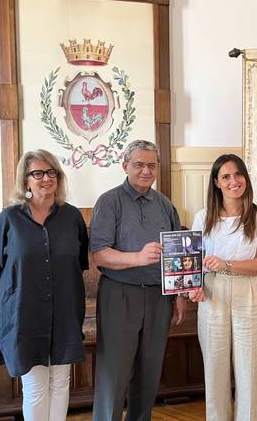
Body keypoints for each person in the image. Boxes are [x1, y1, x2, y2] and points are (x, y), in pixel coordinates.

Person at [0, 149, 89, 421]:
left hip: (65, 313)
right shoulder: (9, 219)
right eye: (38, 173)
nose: (46, 178)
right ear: (26, 181)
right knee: (34, 386)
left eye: (52, 172)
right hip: (24, 316)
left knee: (60, 383)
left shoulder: (72, 218)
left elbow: (78, 263)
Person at [89, 139, 187, 421]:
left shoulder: (165, 205)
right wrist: (137, 257)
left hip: (160, 298)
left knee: (149, 372)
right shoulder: (109, 202)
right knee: (114, 373)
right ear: (125, 166)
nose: (146, 170)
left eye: (151, 165)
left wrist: (180, 294)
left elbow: (177, 254)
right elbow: (100, 255)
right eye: (139, 164)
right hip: (120, 295)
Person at [189, 154, 257, 421]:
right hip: (212, 293)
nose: (233, 181)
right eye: (226, 176)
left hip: (248, 291)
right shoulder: (203, 217)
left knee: (248, 369)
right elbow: (194, 263)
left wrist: (226, 263)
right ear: (216, 182)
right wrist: (192, 287)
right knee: (214, 368)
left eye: (238, 174)